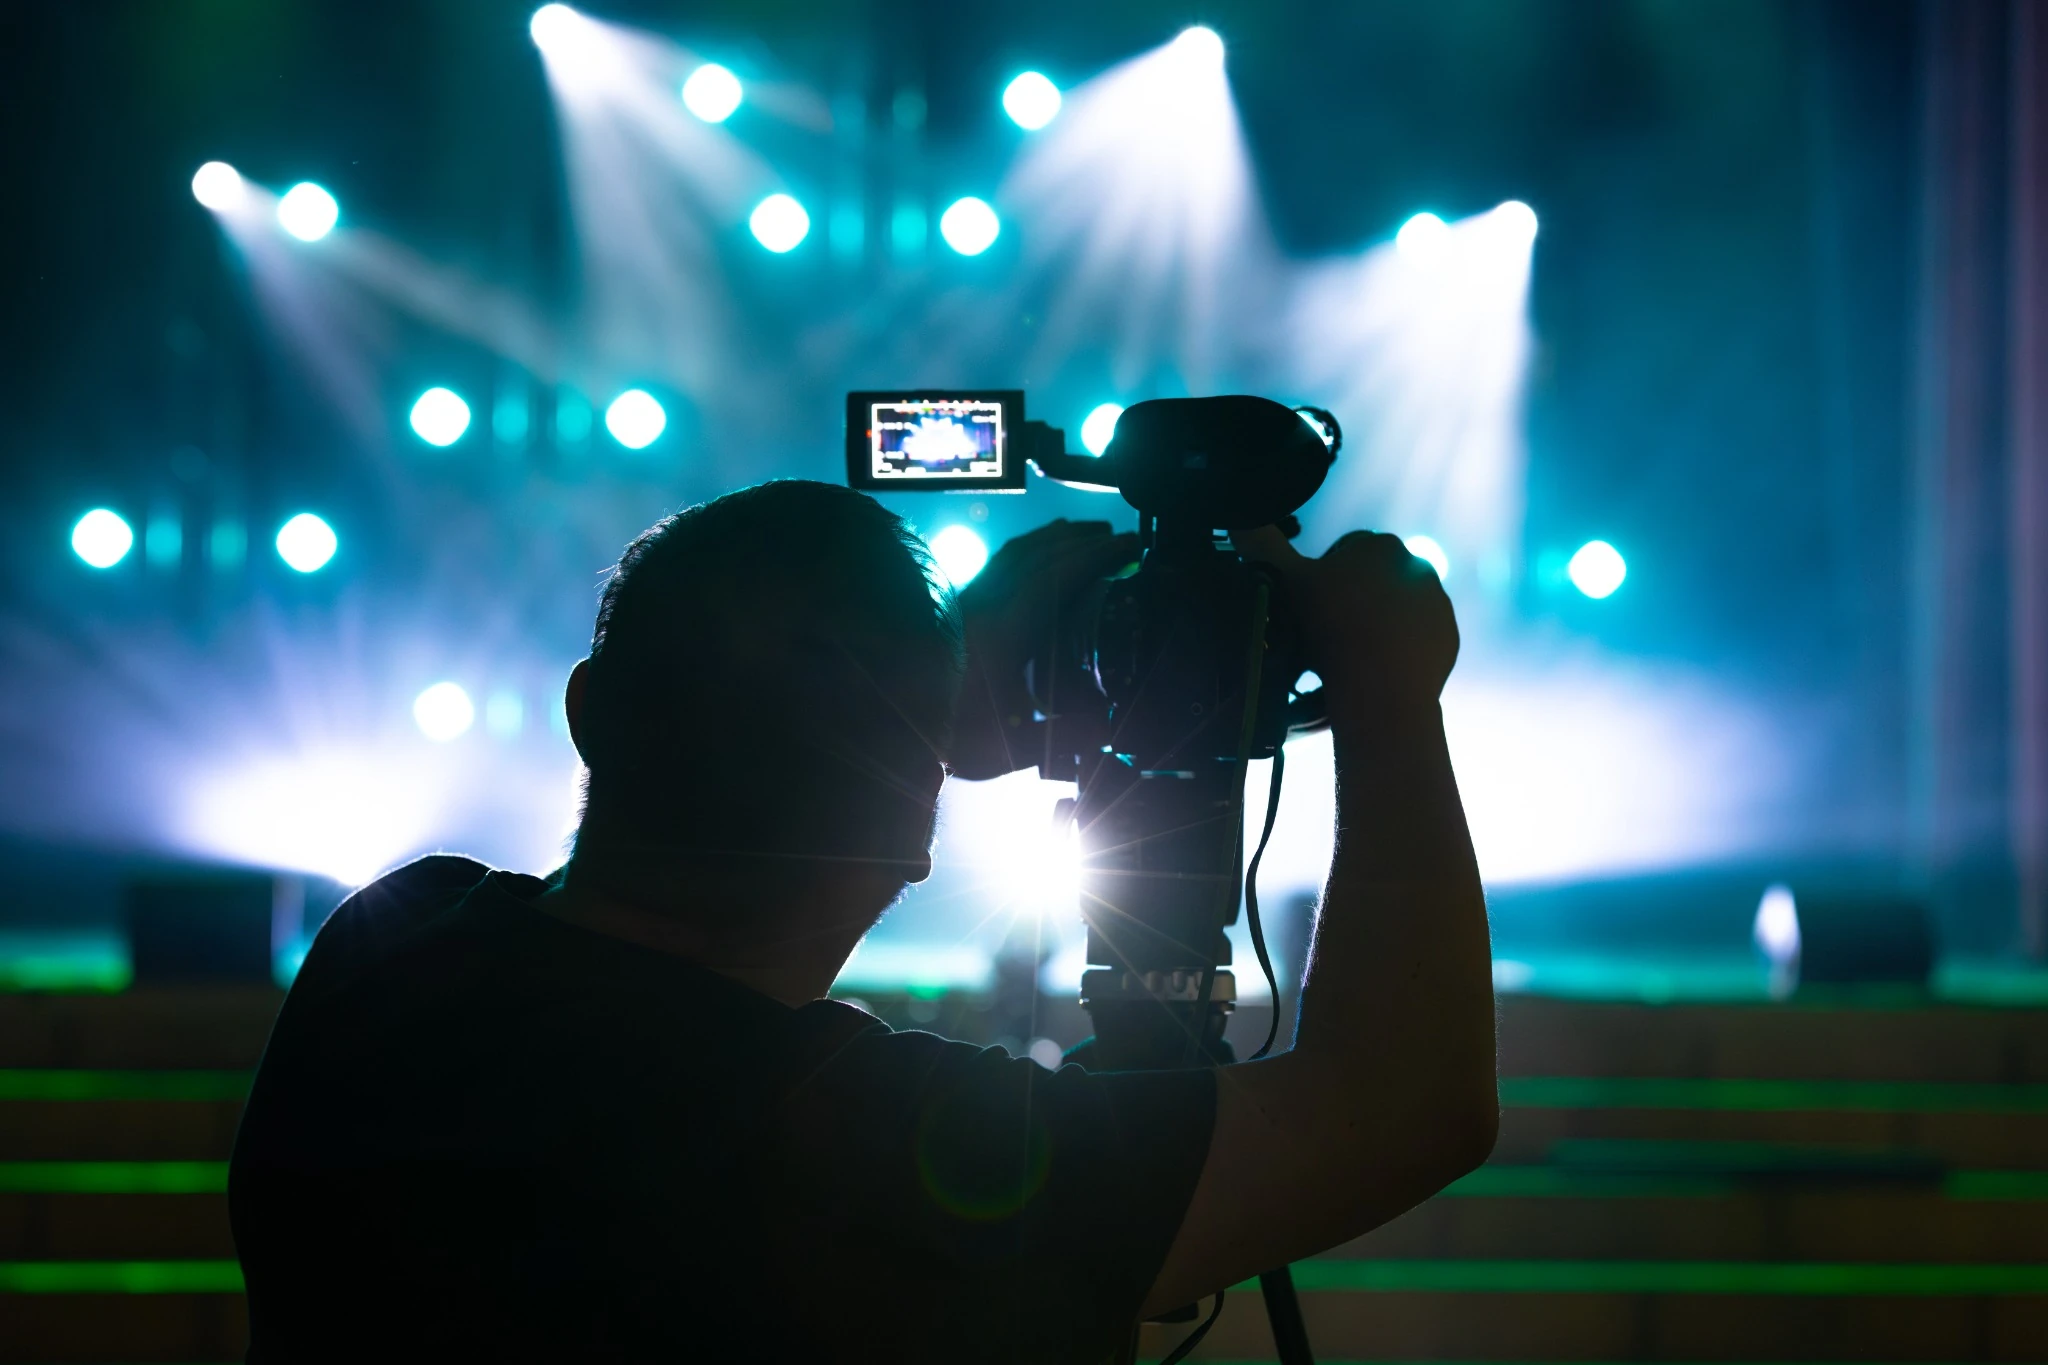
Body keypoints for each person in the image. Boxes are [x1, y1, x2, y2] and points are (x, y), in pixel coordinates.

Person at [229, 478, 1496, 1363]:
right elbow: (1401, 1107)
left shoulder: (386, 958)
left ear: (588, 712)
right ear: (916, 814)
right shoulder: (874, 1154)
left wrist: (922, 711)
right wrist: (1388, 697)